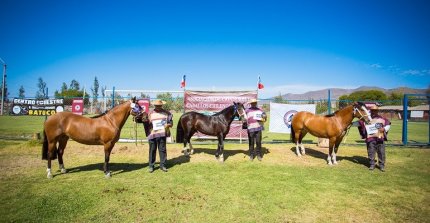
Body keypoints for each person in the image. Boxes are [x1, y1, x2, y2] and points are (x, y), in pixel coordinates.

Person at [356, 104, 391, 172]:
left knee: (381, 152)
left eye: (375, 111)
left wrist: (384, 128)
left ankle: (381, 165)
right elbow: (360, 123)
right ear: (370, 111)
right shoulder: (366, 119)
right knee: (371, 152)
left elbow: (388, 125)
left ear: (377, 111)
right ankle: (372, 164)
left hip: (380, 138)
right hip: (370, 138)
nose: (374, 112)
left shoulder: (382, 119)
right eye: (372, 111)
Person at [145, 99, 173, 173]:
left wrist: (168, 125)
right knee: (152, 150)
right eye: (157, 106)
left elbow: (171, 123)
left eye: (159, 105)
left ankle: (163, 165)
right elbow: (145, 122)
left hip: (162, 134)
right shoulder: (149, 113)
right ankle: (151, 166)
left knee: (162, 150)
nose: (158, 107)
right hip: (152, 134)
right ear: (154, 105)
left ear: (162, 105)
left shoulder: (167, 113)